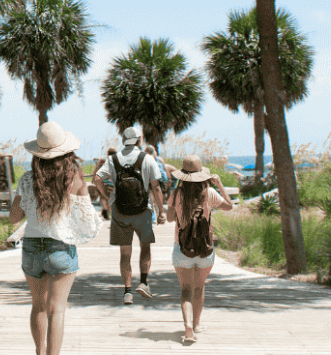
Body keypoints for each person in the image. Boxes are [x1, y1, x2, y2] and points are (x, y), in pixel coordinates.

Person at [10, 121, 100, 355]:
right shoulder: (74, 180)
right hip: (61, 248)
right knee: (56, 311)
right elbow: (89, 222)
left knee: (38, 305)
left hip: (32, 249)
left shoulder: (27, 180)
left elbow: (14, 217)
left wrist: (23, 202)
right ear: (66, 152)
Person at [91, 127, 167, 305]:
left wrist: (107, 197)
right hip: (143, 210)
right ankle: (143, 283)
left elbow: (96, 179)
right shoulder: (147, 159)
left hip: (120, 210)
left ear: (123, 140)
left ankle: (127, 292)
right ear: (139, 141)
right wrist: (161, 211)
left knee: (125, 253)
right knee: (145, 248)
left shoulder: (113, 159)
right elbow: (156, 187)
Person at [168, 155, 234, 343]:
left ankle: (188, 326)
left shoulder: (177, 193)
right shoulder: (209, 192)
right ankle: (196, 324)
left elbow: (171, 218)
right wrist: (220, 184)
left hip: (181, 248)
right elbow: (230, 207)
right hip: (206, 248)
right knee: (199, 287)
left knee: (186, 290)